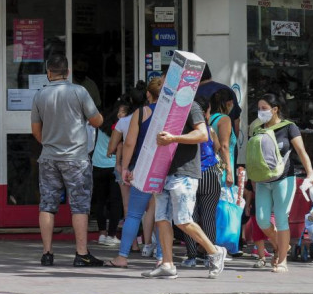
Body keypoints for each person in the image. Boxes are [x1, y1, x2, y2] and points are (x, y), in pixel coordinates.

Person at [140, 97, 228, 280]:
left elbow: (203, 135)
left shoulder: (191, 106)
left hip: (184, 172)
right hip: (163, 171)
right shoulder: (164, 109)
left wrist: (173, 139)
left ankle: (214, 252)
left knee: (183, 220)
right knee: (162, 219)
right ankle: (167, 264)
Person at [31, 55, 104, 267]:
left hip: (49, 158)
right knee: (80, 205)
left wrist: (49, 142)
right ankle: (81, 254)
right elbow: (97, 120)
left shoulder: (40, 95)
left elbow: (35, 130)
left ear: (48, 72)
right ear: (68, 72)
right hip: (76, 158)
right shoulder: (79, 91)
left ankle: (47, 253)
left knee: (47, 204)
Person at [250, 93, 313, 273]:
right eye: (259, 108)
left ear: (275, 109)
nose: (261, 112)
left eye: (264, 108)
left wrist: (310, 174)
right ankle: (281, 246)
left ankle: (282, 261)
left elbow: (301, 151)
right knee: (262, 220)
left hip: (284, 178)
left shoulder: (289, 128)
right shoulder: (257, 129)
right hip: (263, 180)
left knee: (281, 218)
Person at [106, 77, 163, 269]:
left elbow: (129, 143)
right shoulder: (170, 113)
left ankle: (122, 257)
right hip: (164, 167)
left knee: (133, 214)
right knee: (162, 214)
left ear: (148, 94)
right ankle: (163, 256)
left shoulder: (141, 113)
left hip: (142, 166)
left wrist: (125, 167)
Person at [181, 96, 223, 268]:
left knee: (189, 217)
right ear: (205, 112)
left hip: (191, 174)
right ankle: (209, 255)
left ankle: (191, 256)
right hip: (210, 175)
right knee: (208, 218)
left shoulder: (183, 131)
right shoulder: (209, 130)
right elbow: (218, 148)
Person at [92, 103, 123, 246]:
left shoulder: (101, 124)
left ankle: (102, 234)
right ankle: (111, 235)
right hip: (113, 166)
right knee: (115, 201)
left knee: (100, 201)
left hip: (98, 164)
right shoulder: (120, 127)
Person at [196, 65, 241, 134]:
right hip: (229, 142)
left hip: (206, 143)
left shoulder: (193, 94)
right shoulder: (228, 90)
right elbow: (236, 120)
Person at [209, 88, 237, 187]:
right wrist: (229, 171)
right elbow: (224, 146)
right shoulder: (224, 119)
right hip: (222, 167)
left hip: (210, 166)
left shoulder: (209, 118)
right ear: (229, 103)